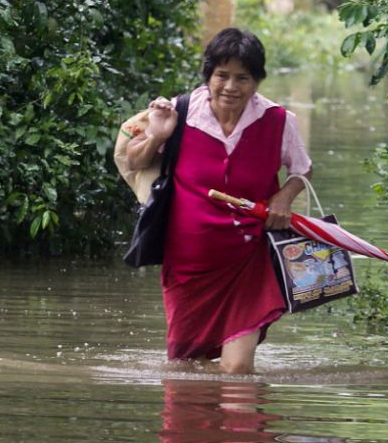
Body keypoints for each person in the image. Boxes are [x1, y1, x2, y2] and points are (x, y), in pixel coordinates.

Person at [125, 28, 313, 374]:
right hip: (187, 266)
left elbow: (302, 171)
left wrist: (284, 198)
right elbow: (135, 161)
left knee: (237, 371)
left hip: (248, 261)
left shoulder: (278, 120)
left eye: (242, 78)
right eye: (221, 75)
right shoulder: (179, 112)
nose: (230, 87)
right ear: (208, 75)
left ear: (257, 81)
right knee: (185, 369)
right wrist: (158, 134)